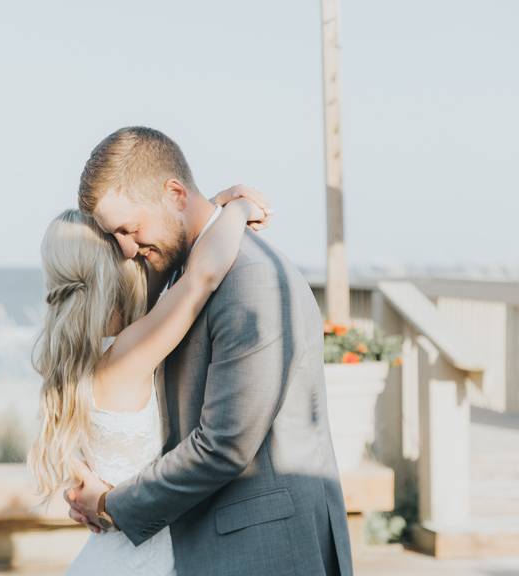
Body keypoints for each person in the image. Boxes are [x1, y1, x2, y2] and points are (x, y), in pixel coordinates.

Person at [33, 126, 352, 575]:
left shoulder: (250, 279)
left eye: (131, 228)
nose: (126, 249)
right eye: (115, 236)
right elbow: (195, 267)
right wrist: (233, 206)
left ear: (175, 194)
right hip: (193, 545)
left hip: (261, 547)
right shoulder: (179, 274)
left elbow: (225, 446)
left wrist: (111, 504)